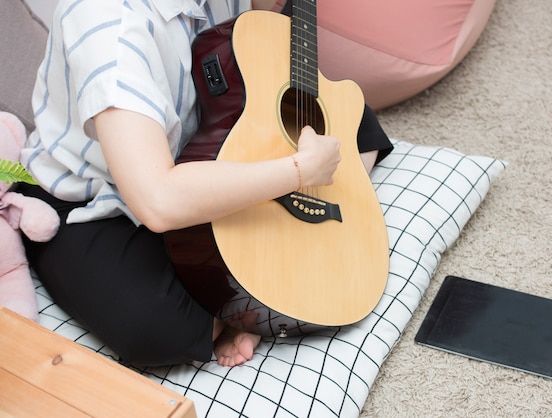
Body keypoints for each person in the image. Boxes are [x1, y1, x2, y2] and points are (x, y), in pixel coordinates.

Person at [18, 0, 393, 367]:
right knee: (154, 326)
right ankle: (248, 301)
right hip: (96, 196)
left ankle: (251, 290)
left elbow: (260, 51)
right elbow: (157, 201)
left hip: (206, 143)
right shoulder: (106, 23)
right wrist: (299, 171)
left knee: (350, 114)